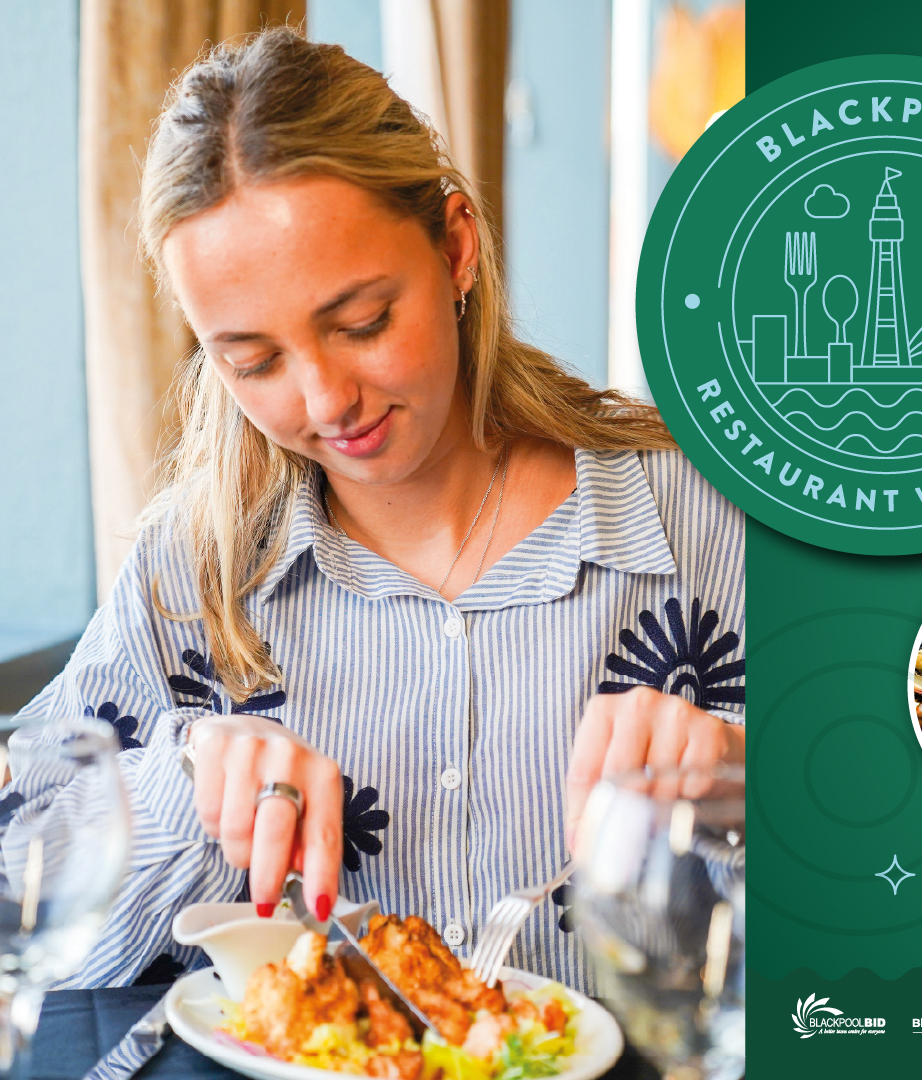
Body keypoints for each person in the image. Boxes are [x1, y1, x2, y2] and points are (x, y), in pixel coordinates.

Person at [0, 28, 743, 990]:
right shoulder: (190, 579)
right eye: (252, 362)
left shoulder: (705, 511)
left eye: (361, 323)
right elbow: (20, 904)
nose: (324, 402)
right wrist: (181, 778)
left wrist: (742, 781)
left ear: (457, 247)